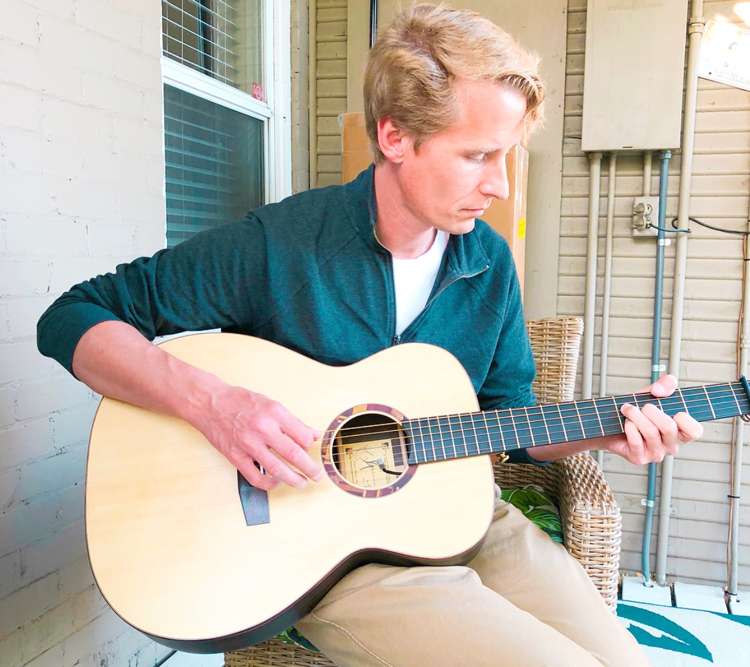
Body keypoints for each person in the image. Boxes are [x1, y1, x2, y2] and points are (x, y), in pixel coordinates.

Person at [38, 4, 702, 666]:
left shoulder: (488, 262)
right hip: (328, 553)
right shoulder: (280, 244)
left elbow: (513, 420)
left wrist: (610, 428)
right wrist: (216, 403)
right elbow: (73, 317)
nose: (499, 185)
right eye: (477, 156)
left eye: (507, 156)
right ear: (394, 137)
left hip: (464, 513)